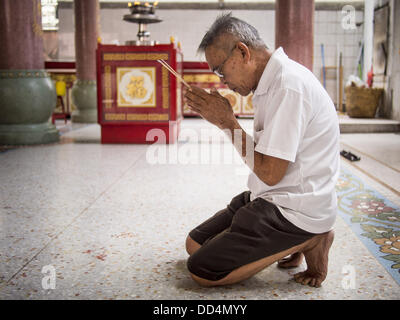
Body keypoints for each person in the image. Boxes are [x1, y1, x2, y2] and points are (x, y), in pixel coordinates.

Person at [184, 13, 339, 288]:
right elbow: (268, 171)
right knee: (194, 244)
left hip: (295, 208)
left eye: (221, 70)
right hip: (268, 194)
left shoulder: (288, 86)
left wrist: (227, 123)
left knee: (203, 271)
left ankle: (311, 237)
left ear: (242, 52)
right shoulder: (270, 82)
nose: (222, 81)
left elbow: (270, 173)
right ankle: (289, 241)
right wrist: (226, 122)